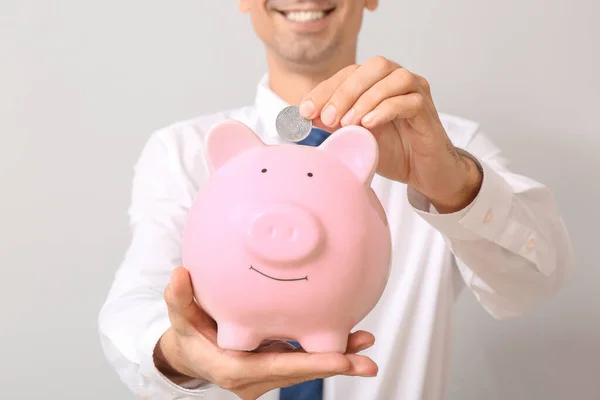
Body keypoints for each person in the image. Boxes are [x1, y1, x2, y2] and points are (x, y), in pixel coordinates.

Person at [97, 0, 575, 399]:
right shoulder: (182, 150)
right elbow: (131, 305)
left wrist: (453, 186)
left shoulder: (447, 149)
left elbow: (535, 284)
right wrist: (179, 352)